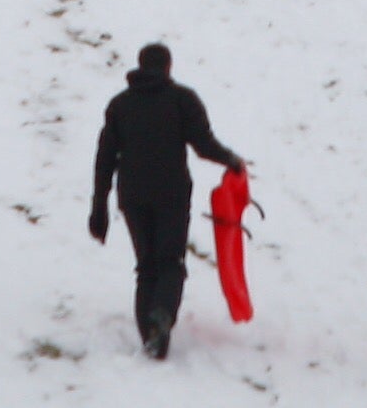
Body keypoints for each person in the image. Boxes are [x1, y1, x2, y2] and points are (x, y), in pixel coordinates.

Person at [89, 43, 251, 359]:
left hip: (133, 196)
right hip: (171, 194)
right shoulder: (181, 99)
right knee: (170, 262)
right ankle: (161, 318)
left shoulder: (120, 105)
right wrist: (230, 159)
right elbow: (204, 145)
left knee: (146, 266)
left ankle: (150, 336)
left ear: (139, 66)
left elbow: (105, 158)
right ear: (168, 67)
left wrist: (99, 207)